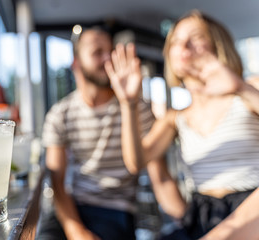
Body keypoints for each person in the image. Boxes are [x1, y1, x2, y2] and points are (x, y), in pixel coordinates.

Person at [105, 9, 259, 240]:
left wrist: (240, 87)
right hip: (203, 215)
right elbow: (136, 162)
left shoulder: (248, 91)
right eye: (175, 41)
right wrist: (129, 103)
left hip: (252, 210)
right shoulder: (175, 118)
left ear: (218, 45)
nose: (184, 46)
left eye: (195, 37)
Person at [36, 26, 155, 240]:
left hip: (117, 210)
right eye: (96, 52)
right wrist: (76, 231)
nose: (107, 58)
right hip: (71, 208)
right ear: (76, 62)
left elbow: (155, 169)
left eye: (110, 52)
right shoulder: (60, 114)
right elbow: (57, 181)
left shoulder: (138, 108)